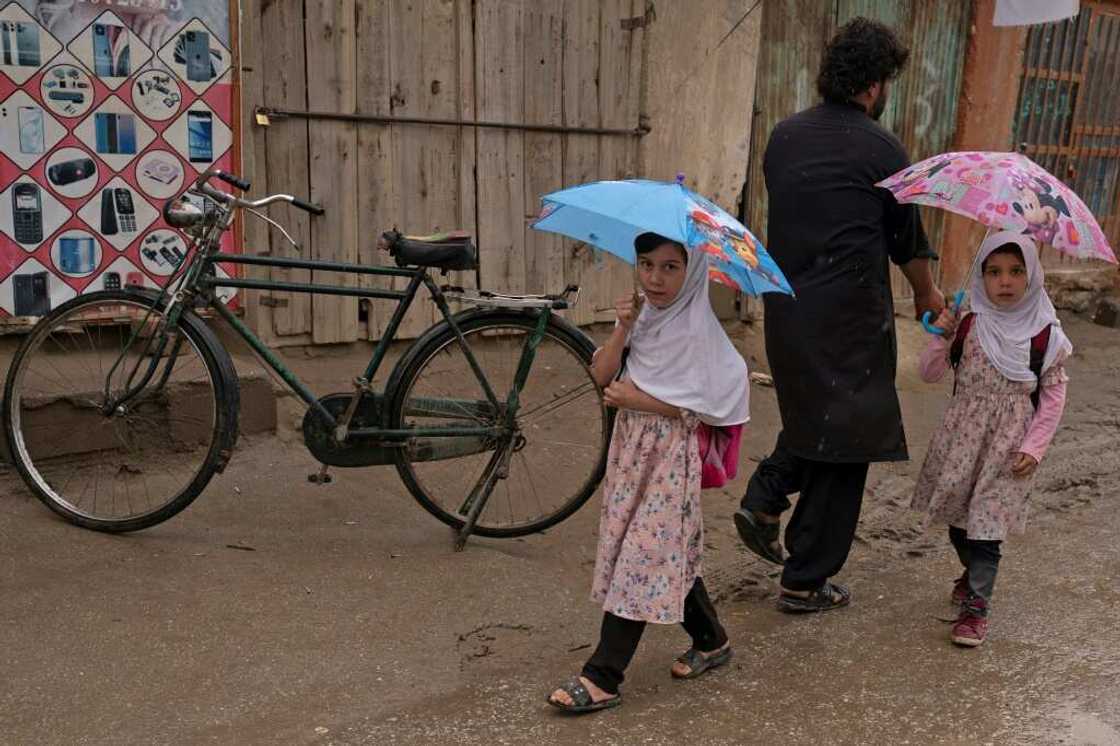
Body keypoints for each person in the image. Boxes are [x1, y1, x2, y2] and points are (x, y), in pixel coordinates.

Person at [732, 17, 945, 612]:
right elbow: (906, 242)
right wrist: (929, 297)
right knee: (851, 438)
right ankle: (804, 577)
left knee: (819, 413)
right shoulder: (882, 148)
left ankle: (766, 496)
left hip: (786, 307)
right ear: (875, 84)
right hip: (850, 315)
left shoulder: (784, 136)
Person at [546, 232, 749, 713]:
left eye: (671, 267)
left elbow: (714, 403)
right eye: (646, 265)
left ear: (692, 270)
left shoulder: (700, 332)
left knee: (641, 555)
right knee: (657, 549)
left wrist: (639, 400)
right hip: (631, 453)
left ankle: (603, 675)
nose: (655, 279)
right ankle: (711, 639)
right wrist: (622, 326)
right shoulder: (646, 317)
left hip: (670, 457)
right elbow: (600, 374)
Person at [912, 231, 1071, 647]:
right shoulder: (968, 323)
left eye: (1017, 271)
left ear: (1032, 276)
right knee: (958, 522)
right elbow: (928, 374)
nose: (1005, 281)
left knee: (987, 526)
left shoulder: (1045, 337)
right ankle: (971, 572)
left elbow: (1052, 398)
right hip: (962, 442)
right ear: (980, 276)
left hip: (1008, 450)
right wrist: (941, 334)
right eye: (995, 271)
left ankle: (976, 609)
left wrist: (1033, 448)